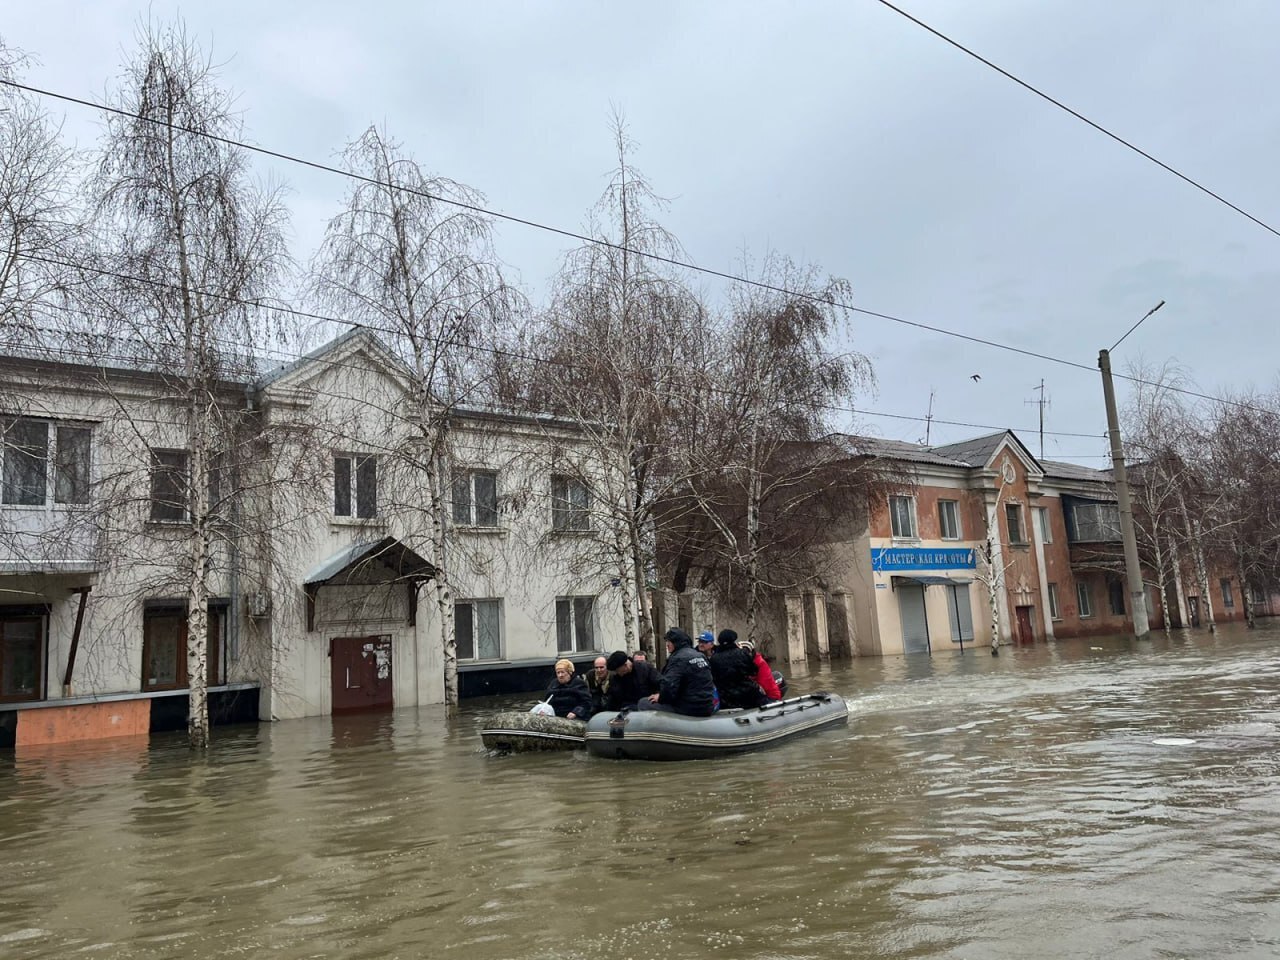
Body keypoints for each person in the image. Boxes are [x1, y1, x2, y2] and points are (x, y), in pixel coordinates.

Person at [637, 628, 716, 716]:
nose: (667, 645)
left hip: (689, 708)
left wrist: (661, 697)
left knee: (643, 703)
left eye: (669, 642)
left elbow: (669, 686)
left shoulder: (678, 658)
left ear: (676, 642)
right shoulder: (700, 655)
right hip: (707, 706)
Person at [709, 629, 768, 709]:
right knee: (763, 698)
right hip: (747, 695)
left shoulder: (713, 658)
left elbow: (713, 677)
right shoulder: (742, 653)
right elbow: (754, 671)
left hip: (726, 698)